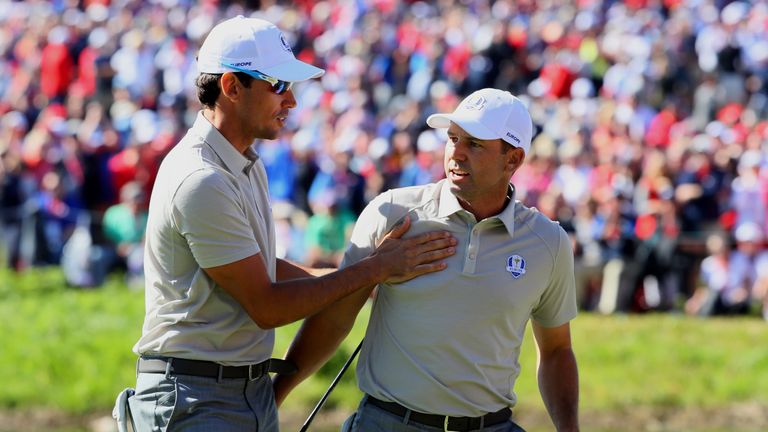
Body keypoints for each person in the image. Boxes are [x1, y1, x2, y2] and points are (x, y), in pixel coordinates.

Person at [120, 16, 456, 432]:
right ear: (231, 87)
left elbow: (261, 268)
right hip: (195, 396)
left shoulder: (241, 160)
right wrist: (372, 270)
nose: (292, 101)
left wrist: (355, 281)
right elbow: (267, 305)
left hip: (228, 391)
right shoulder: (201, 178)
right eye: (278, 85)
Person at [274, 88, 580, 432]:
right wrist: (274, 398)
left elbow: (556, 351)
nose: (456, 154)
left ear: (513, 159)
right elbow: (334, 319)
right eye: (453, 139)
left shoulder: (547, 242)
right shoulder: (393, 213)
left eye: (475, 144)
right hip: (386, 423)